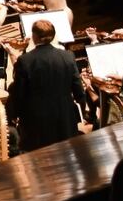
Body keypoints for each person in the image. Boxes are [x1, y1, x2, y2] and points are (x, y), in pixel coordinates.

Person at [8, 19, 84, 152]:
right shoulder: (68, 56)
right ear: (53, 36)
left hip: (37, 122)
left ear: (34, 37)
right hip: (64, 118)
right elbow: (78, 89)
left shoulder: (25, 61)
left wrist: (15, 116)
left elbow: (19, 94)